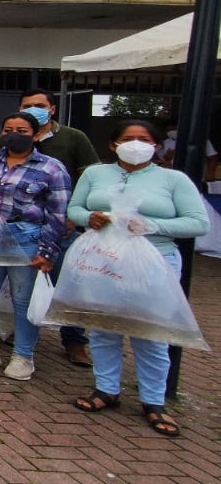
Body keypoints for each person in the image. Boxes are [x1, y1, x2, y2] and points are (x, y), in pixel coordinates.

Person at [67, 120, 208, 437]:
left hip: (154, 260)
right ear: (113, 144)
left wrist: (151, 225)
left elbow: (198, 223)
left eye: (143, 139)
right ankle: (107, 389)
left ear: (156, 146)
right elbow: (74, 208)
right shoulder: (95, 174)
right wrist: (88, 217)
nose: (135, 144)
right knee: (103, 326)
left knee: (150, 332)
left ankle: (154, 400)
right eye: (127, 138)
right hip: (102, 257)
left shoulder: (173, 179)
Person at [0, 112, 71, 382]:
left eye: (22, 130)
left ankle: (23, 356)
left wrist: (48, 250)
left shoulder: (51, 168)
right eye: (8, 130)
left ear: (36, 135)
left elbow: (58, 213)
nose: (14, 135)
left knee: (23, 299)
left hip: (26, 238)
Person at [0, 88, 102, 367]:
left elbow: (90, 177)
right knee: (21, 285)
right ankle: (22, 332)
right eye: (26, 105)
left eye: (39, 105)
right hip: (23, 228)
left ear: (52, 109)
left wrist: (74, 213)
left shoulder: (73, 137)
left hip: (62, 224)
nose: (32, 109)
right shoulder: (11, 136)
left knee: (66, 282)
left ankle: (74, 340)